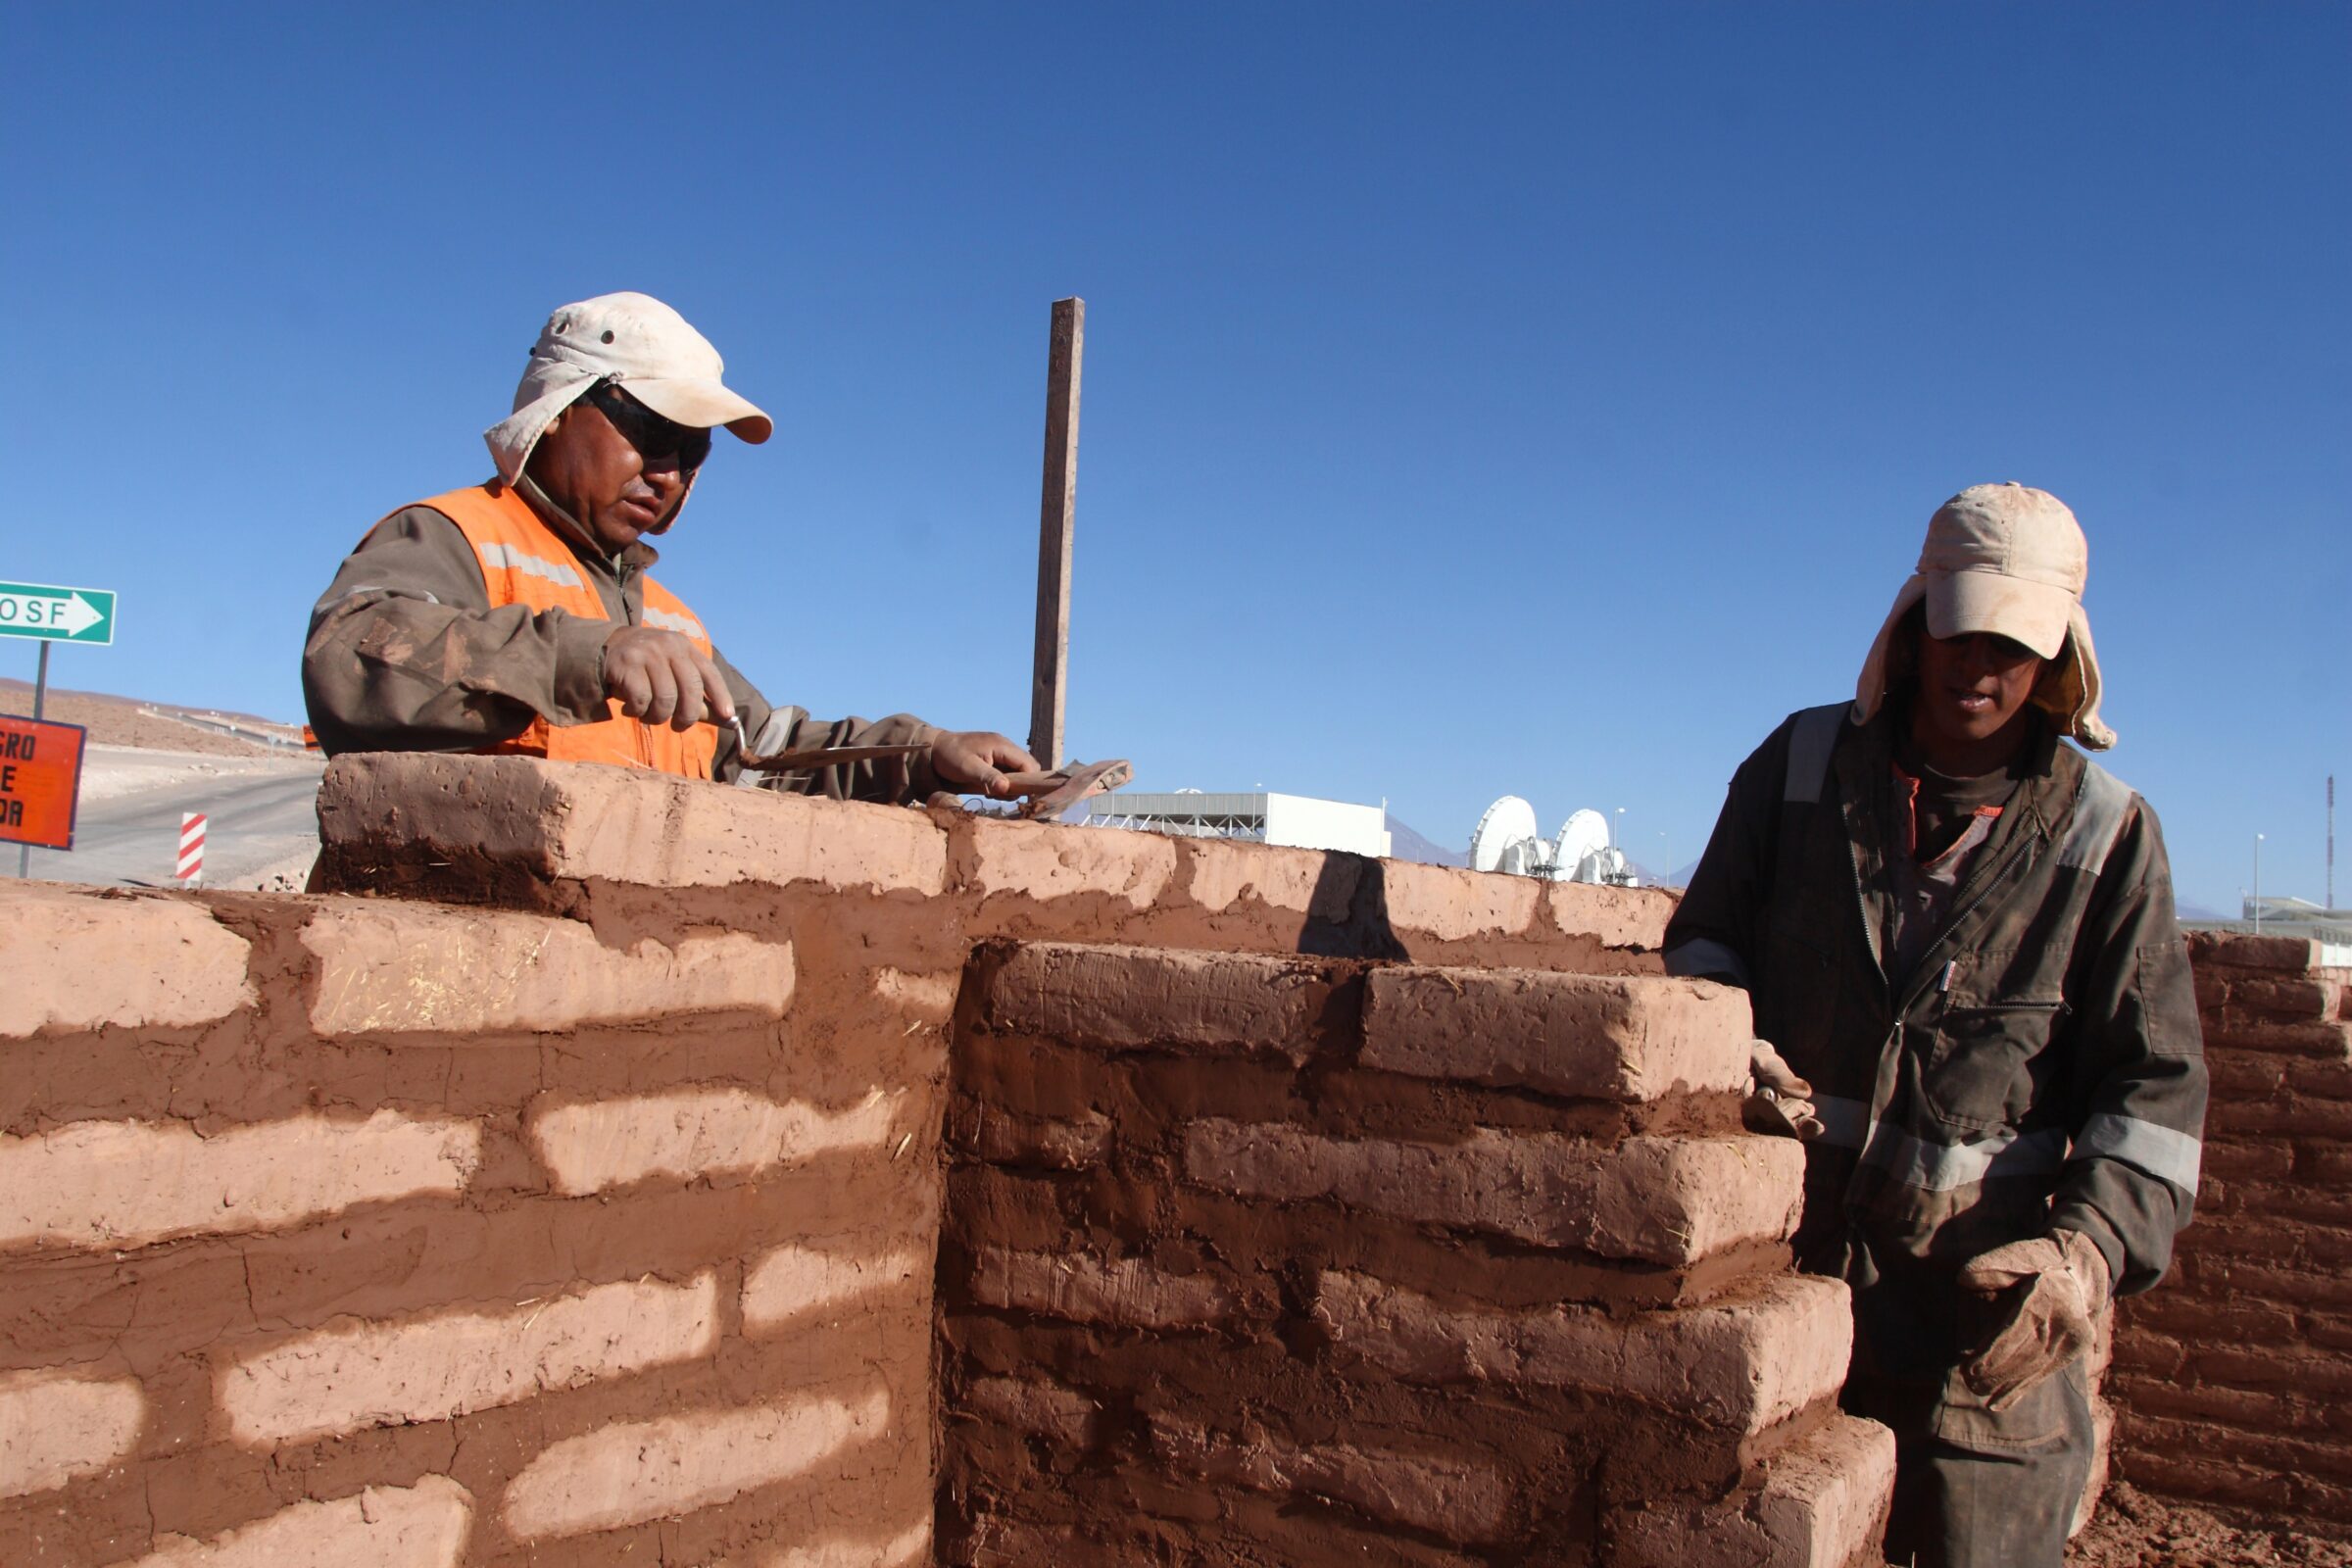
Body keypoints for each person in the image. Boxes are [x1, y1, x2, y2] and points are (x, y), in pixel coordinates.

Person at [1661, 483, 2207, 1568]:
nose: (1982, 665)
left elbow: (2151, 1093)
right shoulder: (1802, 771)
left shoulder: (2107, 840)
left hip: (1987, 1335)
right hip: (1792, 1291)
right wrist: (1730, 1038)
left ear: (2059, 660)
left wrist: (2086, 1254)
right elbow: (1704, 939)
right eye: (1962, 628)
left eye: (2015, 642)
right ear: (1918, 620)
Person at [304, 291, 1037, 801]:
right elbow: (347, 654)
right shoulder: (460, 536)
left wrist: (921, 755)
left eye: (693, 452)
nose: (669, 472)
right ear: (558, 409)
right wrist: (583, 656)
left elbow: (766, 754)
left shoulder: (669, 623)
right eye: (653, 435)